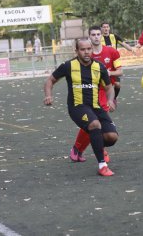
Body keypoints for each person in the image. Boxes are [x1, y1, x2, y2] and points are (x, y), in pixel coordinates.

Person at [44, 37, 118, 176]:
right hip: (77, 107)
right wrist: (48, 95)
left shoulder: (99, 67)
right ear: (76, 51)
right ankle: (102, 165)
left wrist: (110, 100)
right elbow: (50, 81)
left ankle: (95, 145)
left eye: (89, 49)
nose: (86, 52)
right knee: (95, 125)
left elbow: (109, 87)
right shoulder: (68, 66)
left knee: (112, 137)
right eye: (83, 49)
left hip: (96, 107)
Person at [70, 25, 123, 163]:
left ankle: (79, 148)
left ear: (102, 36)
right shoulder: (85, 53)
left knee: (96, 123)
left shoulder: (111, 52)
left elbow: (120, 71)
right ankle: (93, 149)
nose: (96, 37)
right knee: (93, 122)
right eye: (93, 35)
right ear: (89, 37)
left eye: (98, 34)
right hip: (90, 91)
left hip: (105, 90)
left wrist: (106, 73)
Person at [101, 22, 133, 103]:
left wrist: (130, 48)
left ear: (109, 28)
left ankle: (113, 98)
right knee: (104, 85)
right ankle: (104, 100)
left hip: (114, 64)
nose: (105, 28)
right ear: (101, 28)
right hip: (103, 64)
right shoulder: (99, 38)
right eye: (104, 27)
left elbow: (124, 44)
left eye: (107, 27)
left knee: (117, 85)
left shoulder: (114, 37)